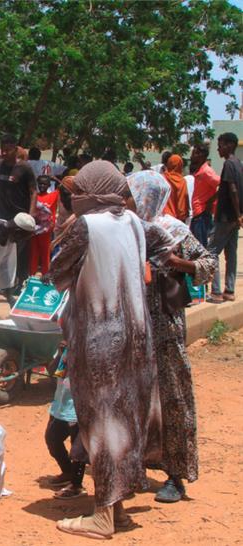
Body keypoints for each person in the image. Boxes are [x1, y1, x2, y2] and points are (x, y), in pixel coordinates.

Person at [48, 160, 174, 540]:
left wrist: (66, 227)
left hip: (100, 340)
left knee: (101, 422)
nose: (75, 197)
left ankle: (102, 515)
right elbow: (164, 249)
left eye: (79, 191)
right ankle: (114, 506)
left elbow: (57, 274)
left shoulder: (85, 225)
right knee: (124, 421)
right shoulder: (135, 222)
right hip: (137, 337)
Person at [127, 169, 216, 503]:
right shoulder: (128, 228)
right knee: (135, 400)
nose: (130, 201)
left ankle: (175, 476)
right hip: (133, 328)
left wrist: (178, 262)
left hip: (165, 329)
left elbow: (209, 263)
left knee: (173, 399)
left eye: (134, 195)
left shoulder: (173, 230)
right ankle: (136, 465)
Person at [44, 343, 89, 500]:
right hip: (62, 403)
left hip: (79, 406)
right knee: (52, 438)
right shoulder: (66, 349)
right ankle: (68, 471)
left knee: (77, 448)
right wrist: (60, 351)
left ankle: (76, 485)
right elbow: (51, 371)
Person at [0, 134, 37, 287]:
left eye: (7, 150)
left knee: (21, 251)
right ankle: (3, 283)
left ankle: (21, 281)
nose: (4, 153)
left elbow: (33, 191)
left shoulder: (24, 167)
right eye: (2, 150)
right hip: (4, 214)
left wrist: (31, 215)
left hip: (20, 215)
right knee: (2, 247)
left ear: (15, 148)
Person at [207, 132, 242, 303]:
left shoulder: (228, 164)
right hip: (234, 218)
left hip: (226, 216)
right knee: (231, 253)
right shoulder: (238, 164)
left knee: (211, 252)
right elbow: (225, 189)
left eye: (220, 145)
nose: (218, 148)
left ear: (229, 145)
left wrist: (237, 214)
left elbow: (233, 190)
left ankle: (216, 292)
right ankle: (229, 290)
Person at [189, 143, 220, 248]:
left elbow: (222, 184)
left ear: (201, 155)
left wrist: (211, 200)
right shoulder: (200, 170)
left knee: (201, 248)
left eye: (194, 154)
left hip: (202, 214)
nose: (191, 156)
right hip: (198, 214)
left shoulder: (206, 171)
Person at [30, 175, 60, 275]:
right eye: (40, 183)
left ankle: (45, 274)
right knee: (33, 252)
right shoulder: (34, 196)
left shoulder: (53, 195)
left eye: (45, 184)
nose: (42, 186)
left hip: (46, 230)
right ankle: (31, 274)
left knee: (45, 253)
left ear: (48, 185)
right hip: (34, 229)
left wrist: (54, 178)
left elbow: (64, 186)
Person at [162, 154, 189, 222]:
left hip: (162, 218)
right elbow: (182, 202)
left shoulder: (162, 178)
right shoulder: (182, 181)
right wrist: (183, 218)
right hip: (175, 220)